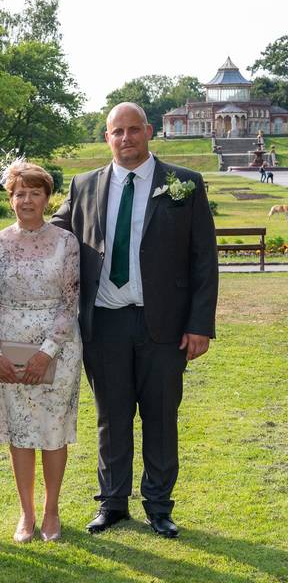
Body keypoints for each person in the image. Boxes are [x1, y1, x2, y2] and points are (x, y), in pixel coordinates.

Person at [52, 102, 219, 538]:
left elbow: (204, 259)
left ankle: (160, 507)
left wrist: (200, 324)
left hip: (163, 325)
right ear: (107, 137)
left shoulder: (184, 184)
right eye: (116, 132)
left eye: (133, 130)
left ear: (148, 132)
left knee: (161, 417)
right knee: (112, 417)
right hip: (103, 324)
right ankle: (112, 504)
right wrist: (13, 236)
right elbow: (54, 234)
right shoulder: (84, 185)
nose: (125, 138)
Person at [0, 161, 81, 543]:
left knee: (53, 432)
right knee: (20, 432)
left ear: (46, 198)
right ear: (10, 199)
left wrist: (48, 352)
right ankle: (26, 513)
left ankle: (52, 510)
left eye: (34, 192)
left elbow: (70, 302)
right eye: (19, 193)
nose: (27, 200)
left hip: (59, 350)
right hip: (9, 351)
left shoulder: (65, 242)